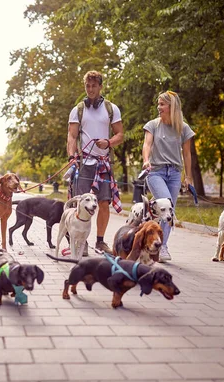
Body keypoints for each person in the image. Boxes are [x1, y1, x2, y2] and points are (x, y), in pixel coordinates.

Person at [67, 71, 124, 254]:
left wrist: (108, 142)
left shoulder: (111, 109)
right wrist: (72, 157)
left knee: (104, 203)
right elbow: (72, 136)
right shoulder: (78, 109)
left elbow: (120, 134)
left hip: (103, 164)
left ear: (100, 86)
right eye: (87, 86)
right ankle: (80, 242)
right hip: (84, 163)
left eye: (94, 86)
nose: (90, 89)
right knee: (80, 203)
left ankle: (100, 241)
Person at [141, 90, 195, 261]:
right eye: (158, 104)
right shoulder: (153, 125)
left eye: (162, 104)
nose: (159, 107)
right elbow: (147, 144)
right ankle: (159, 246)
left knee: (169, 211)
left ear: (172, 107)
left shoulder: (183, 128)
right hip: (156, 171)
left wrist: (189, 177)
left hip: (174, 173)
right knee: (165, 206)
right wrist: (146, 160)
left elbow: (187, 155)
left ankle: (159, 245)